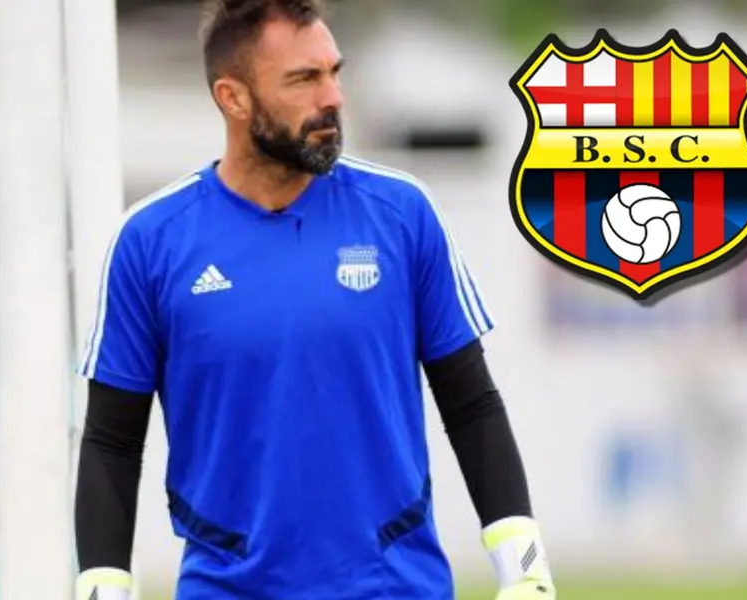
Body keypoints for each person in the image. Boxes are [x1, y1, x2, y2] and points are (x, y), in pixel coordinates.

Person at [73, 1, 556, 598]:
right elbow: (113, 441)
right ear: (233, 98)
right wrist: (103, 587)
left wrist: (525, 569)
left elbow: (472, 403)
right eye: (303, 79)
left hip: (392, 586)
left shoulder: (401, 214)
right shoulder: (151, 241)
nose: (332, 97)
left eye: (333, 72)